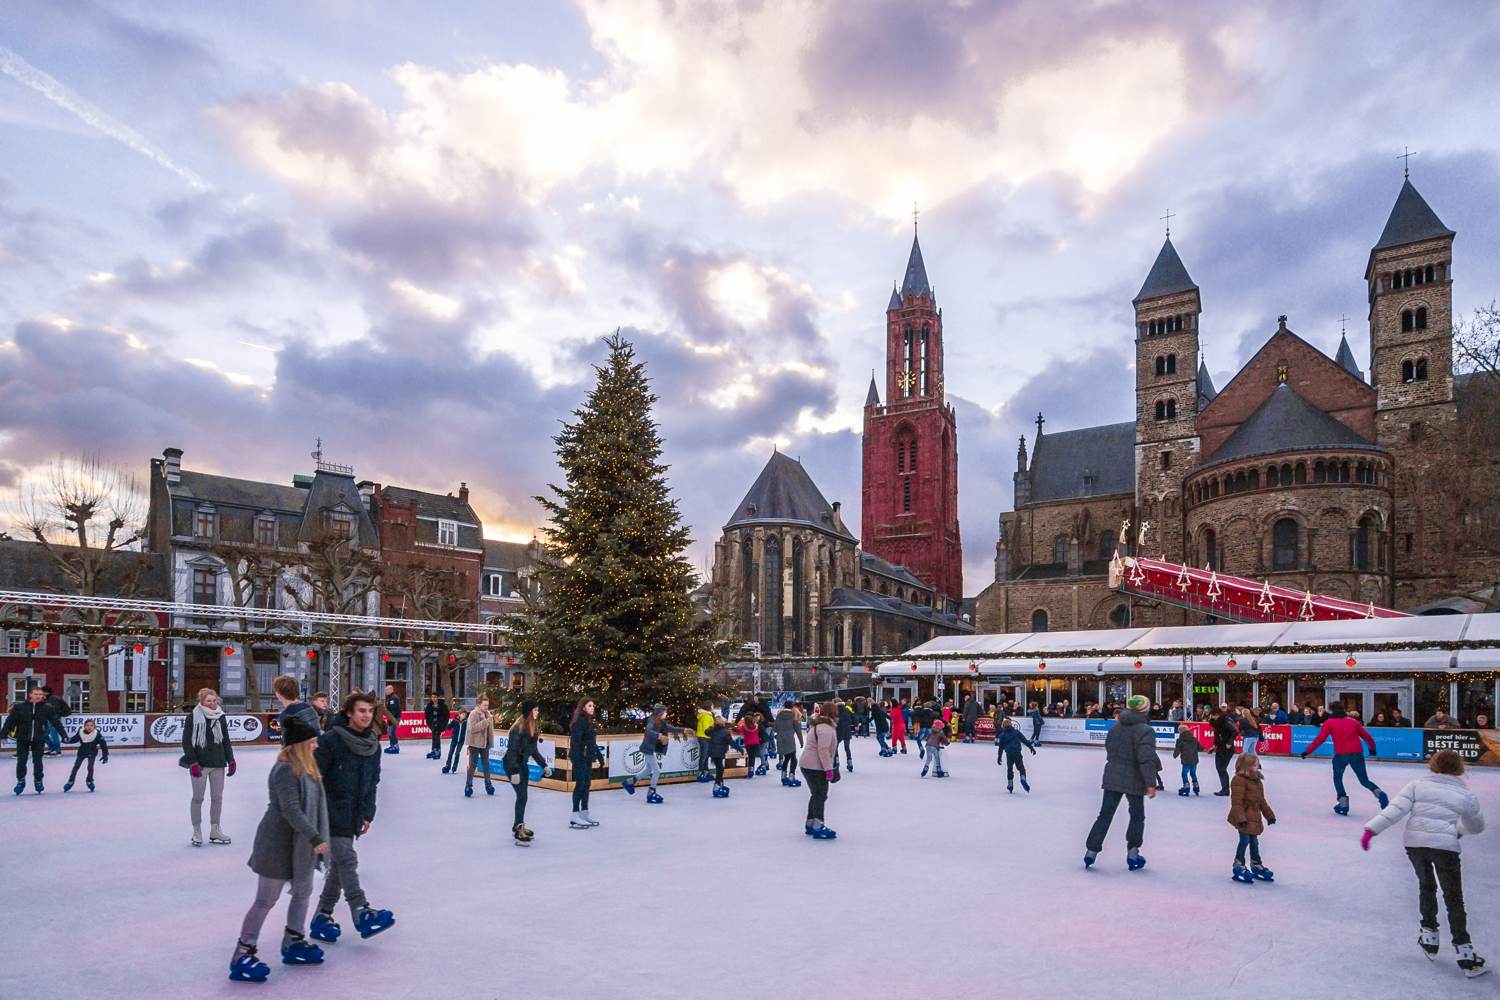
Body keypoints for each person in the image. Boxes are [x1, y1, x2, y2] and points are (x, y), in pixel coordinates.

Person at [1363, 749, 1487, 978]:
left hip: (1415, 845)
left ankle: (1429, 935)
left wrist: (1371, 830)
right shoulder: (1466, 794)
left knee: (1427, 886)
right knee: (1453, 897)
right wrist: (1458, 830)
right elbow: (1477, 826)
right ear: (1460, 768)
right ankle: (1465, 953)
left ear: (1433, 764)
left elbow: (1395, 810)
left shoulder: (1417, 785)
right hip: (1445, 849)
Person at [227, 714, 329, 983]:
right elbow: (292, 810)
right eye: (312, 741)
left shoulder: (308, 768)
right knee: (265, 900)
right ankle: (242, 954)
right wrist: (316, 838)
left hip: (299, 844)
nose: (316, 745)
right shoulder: (285, 769)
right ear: (299, 744)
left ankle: (294, 940)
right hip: (276, 842)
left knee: (303, 892)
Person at [310, 692, 394, 944]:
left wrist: (368, 813)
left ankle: (321, 917)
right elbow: (314, 779)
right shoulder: (332, 741)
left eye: (369, 711)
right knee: (347, 859)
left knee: (338, 867)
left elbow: (372, 782)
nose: (366, 715)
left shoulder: (372, 744)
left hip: (354, 813)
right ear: (349, 713)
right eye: (361, 711)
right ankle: (361, 910)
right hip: (330, 812)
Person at [1084, 694, 1159, 871]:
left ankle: (1091, 851)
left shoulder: (1116, 727)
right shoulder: (1145, 730)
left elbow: (1109, 748)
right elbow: (1146, 758)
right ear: (1145, 709)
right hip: (1134, 778)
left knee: (1105, 814)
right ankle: (1133, 852)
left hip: (1112, 774)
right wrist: (1151, 782)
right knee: (1137, 815)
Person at [1301, 703, 1388, 815]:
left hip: (1341, 754)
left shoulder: (1329, 723)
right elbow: (1367, 736)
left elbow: (1320, 739)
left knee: (1338, 778)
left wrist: (1307, 751)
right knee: (1364, 780)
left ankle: (1343, 803)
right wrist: (1372, 749)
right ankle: (1380, 794)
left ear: (1332, 712)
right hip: (1357, 753)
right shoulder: (1353, 721)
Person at [182, 687, 236, 846]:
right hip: (200, 764)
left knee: (217, 798)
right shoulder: (193, 717)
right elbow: (186, 742)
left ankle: (215, 829)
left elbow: (226, 740)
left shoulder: (221, 717)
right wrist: (192, 762)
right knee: (198, 798)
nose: (212, 703)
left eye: (214, 700)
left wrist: (231, 760)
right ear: (202, 701)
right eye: (209, 701)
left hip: (218, 763)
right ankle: (197, 831)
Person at [502, 700, 551, 845]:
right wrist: (515, 772)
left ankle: (519, 824)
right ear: (529, 712)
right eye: (535, 710)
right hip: (512, 765)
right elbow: (511, 752)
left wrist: (544, 765)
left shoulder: (532, 728)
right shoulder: (518, 729)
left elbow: (533, 751)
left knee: (523, 796)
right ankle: (518, 829)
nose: (537, 712)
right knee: (522, 796)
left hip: (522, 764)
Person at [3, 686, 68, 794]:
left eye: (40, 694)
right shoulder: (20, 707)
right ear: (30, 695)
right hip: (23, 738)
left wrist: (63, 734)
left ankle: (38, 780)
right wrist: (3, 734)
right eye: (36, 694)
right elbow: (10, 721)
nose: (38, 696)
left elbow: (56, 722)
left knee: (38, 761)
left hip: (38, 738)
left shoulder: (47, 707)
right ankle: (20, 781)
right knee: (21, 760)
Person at [1227, 753, 1277, 884]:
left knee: (1254, 841)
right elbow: (1236, 803)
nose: (1258, 767)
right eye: (1255, 765)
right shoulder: (1238, 780)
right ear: (1247, 766)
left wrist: (1269, 815)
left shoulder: (1257, 781)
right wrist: (1241, 819)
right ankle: (1239, 865)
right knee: (1244, 841)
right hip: (1242, 817)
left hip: (1254, 817)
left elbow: (1261, 801)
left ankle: (1256, 864)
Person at [800, 703, 837, 839]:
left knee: (816, 794)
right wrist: (829, 769)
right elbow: (823, 750)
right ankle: (818, 825)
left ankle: (811, 823)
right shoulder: (826, 728)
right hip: (815, 766)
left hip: (808, 764)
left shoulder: (817, 725)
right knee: (820, 795)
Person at [568, 697, 600, 828]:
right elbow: (575, 742)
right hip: (580, 758)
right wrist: (578, 758)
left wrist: (598, 756)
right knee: (580, 784)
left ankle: (584, 812)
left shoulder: (588, 721)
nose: (592, 708)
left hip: (587, 758)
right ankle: (575, 814)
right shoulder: (579, 722)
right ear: (583, 708)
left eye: (593, 706)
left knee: (586, 784)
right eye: (590, 706)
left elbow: (591, 741)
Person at [62, 718, 109, 792]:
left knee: (90, 767)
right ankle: (70, 781)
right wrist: (68, 740)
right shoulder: (80, 732)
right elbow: (74, 739)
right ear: (84, 726)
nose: (89, 727)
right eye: (87, 725)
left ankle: (89, 780)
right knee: (76, 767)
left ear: (94, 727)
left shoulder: (97, 734)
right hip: (82, 752)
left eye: (91, 725)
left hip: (92, 752)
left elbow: (103, 745)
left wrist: (105, 755)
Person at [463, 694, 495, 798]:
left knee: (486, 764)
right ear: (479, 705)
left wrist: (490, 742)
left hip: (485, 744)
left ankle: (488, 785)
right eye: (485, 705)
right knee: (473, 765)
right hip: (475, 743)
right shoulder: (473, 714)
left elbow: (490, 731)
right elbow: (472, 729)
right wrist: (486, 722)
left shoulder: (488, 714)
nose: (487, 707)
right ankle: (468, 785)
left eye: (487, 705)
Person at [994, 717, 1037, 793]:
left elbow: (1000, 748)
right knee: (1021, 768)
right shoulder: (1016, 732)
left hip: (1009, 753)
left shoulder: (1002, 735)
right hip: (1017, 752)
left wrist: (999, 757)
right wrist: (1031, 748)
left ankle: (1010, 785)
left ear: (1003, 726)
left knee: (1010, 769)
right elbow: (1024, 740)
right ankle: (1023, 778)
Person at [1210, 705, 1237, 796]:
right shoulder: (1216, 723)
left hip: (1227, 748)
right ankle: (1224, 788)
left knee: (1222, 768)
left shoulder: (1226, 721)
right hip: (1220, 747)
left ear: (1218, 715)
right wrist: (1214, 745)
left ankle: (1225, 790)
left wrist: (1229, 742)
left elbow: (1235, 731)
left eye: (1213, 715)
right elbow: (1217, 735)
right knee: (1219, 768)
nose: (1212, 717)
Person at [774, 704, 803, 784]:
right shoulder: (793, 716)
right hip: (790, 740)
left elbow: (775, 728)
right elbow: (798, 730)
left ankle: (783, 776)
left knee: (786, 758)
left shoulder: (779, 716)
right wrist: (801, 742)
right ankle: (791, 776)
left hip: (780, 739)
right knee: (793, 759)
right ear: (792, 707)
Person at [705, 715, 733, 797]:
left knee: (719, 768)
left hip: (713, 752)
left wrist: (711, 727)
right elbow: (731, 742)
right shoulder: (725, 732)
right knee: (720, 769)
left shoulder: (713, 730)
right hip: (719, 752)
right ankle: (717, 786)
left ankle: (719, 784)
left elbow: (706, 731)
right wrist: (739, 748)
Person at [1172, 723, 1201, 796]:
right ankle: (1196, 787)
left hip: (1186, 760)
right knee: (1193, 773)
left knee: (1184, 774)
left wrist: (1175, 755)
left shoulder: (1180, 740)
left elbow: (1177, 750)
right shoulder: (1194, 739)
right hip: (1194, 759)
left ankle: (1186, 787)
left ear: (1180, 731)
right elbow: (1200, 748)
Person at [40, 686, 70, 755]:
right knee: (43, 734)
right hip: (49, 718)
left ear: (46, 692)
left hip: (53, 718)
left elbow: (55, 709)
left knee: (53, 734)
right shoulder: (49, 698)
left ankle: (57, 750)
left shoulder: (53, 698)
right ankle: (52, 748)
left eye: (42, 692)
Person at [734, 713, 763, 780]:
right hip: (756, 743)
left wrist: (734, 728)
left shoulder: (744, 727)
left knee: (750, 757)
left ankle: (750, 770)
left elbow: (738, 731)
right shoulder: (756, 726)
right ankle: (751, 769)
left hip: (749, 743)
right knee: (753, 757)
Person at [441, 704, 468, 775]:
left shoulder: (466, 722)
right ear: (458, 714)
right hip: (454, 740)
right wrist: (443, 728)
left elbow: (470, 730)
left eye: (464, 714)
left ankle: (454, 767)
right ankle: (448, 766)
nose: (462, 715)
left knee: (457, 753)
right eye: (461, 714)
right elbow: (449, 727)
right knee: (450, 753)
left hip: (460, 741)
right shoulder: (455, 721)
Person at [423, 691, 449, 760]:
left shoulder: (443, 705)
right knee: (434, 736)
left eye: (435, 697)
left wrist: (444, 724)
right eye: (432, 697)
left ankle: (438, 751)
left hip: (440, 724)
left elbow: (447, 715)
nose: (433, 698)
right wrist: (429, 724)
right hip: (432, 724)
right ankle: (434, 750)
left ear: (437, 698)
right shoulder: (429, 705)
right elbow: (427, 715)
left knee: (437, 736)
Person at [694, 700, 715, 782]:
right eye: (712, 706)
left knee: (706, 755)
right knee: (704, 755)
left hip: (704, 737)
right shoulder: (706, 716)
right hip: (704, 737)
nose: (713, 707)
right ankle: (701, 773)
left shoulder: (706, 715)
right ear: (709, 707)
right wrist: (713, 732)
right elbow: (707, 729)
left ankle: (705, 772)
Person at [835, 699, 855, 771]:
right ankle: (850, 763)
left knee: (835, 747)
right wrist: (855, 724)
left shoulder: (835, 710)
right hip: (847, 730)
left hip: (838, 731)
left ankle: (836, 762)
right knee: (847, 748)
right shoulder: (848, 708)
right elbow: (853, 715)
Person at [382, 685, 402, 753]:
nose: (385, 692)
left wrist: (391, 719)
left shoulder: (393, 698)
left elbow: (393, 710)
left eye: (386, 690)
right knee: (390, 732)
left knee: (392, 732)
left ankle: (395, 746)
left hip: (394, 718)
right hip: (391, 718)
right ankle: (392, 745)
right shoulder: (389, 698)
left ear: (391, 690)